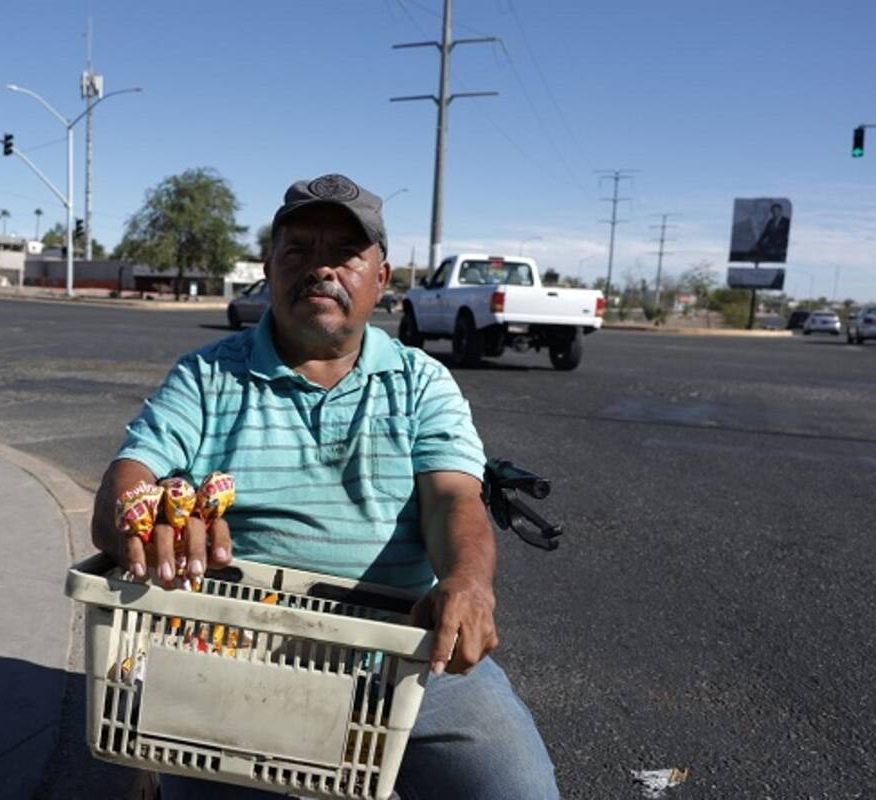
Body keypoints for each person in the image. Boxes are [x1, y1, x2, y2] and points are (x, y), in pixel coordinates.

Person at [91, 173, 558, 799]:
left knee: (518, 791)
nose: (320, 269)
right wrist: (142, 525)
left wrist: (468, 583)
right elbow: (130, 478)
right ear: (269, 269)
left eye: (344, 253)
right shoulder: (205, 376)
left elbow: (454, 497)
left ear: (381, 279)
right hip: (229, 652)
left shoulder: (422, 381)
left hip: (408, 654)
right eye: (298, 251)